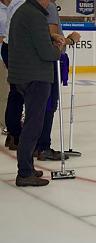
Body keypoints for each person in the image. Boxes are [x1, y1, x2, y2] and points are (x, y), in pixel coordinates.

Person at [8, 0, 62, 186]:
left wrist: (50, 39)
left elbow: (31, 42)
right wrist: (61, 45)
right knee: (33, 125)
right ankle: (24, 173)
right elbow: (48, 54)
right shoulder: (35, 16)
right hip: (35, 77)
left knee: (32, 123)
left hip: (23, 75)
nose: (51, 2)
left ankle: (28, 167)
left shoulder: (25, 11)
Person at [34, 0, 80, 161]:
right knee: (49, 104)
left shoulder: (30, 6)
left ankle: (35, 145)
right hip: (51, 61)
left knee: (38, 104)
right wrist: (71, 39)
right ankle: (43, 146)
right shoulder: (49, 7)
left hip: (37, 62)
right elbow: (55, 39)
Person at [1, 0, 24, 150]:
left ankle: (13, 133)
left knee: (14, 93)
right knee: (14, 94)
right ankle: (14, 132)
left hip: (12, 50)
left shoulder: (19, 3)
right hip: (11, 51)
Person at [0, 0, 9, 134]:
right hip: (1, 57)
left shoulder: (17, 7)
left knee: (7, 91)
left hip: (12, 56)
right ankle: (5, 122)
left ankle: (6, 121)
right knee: (4, 91)